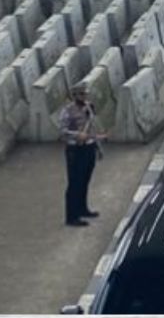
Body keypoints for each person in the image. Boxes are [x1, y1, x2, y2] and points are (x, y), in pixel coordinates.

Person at [55, 84, 101, 226]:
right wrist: (77, 135)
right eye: (81, 94)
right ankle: (71, 217)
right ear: (74, 96)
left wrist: (98, 148)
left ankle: (82, 209)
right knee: (75, 183)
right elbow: (62, 131)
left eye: (85, 94)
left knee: (85, 181)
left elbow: (92, 127)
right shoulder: (67, 111)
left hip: (89, 147)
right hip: (75, 150)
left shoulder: (89, 108)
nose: (84, 97)